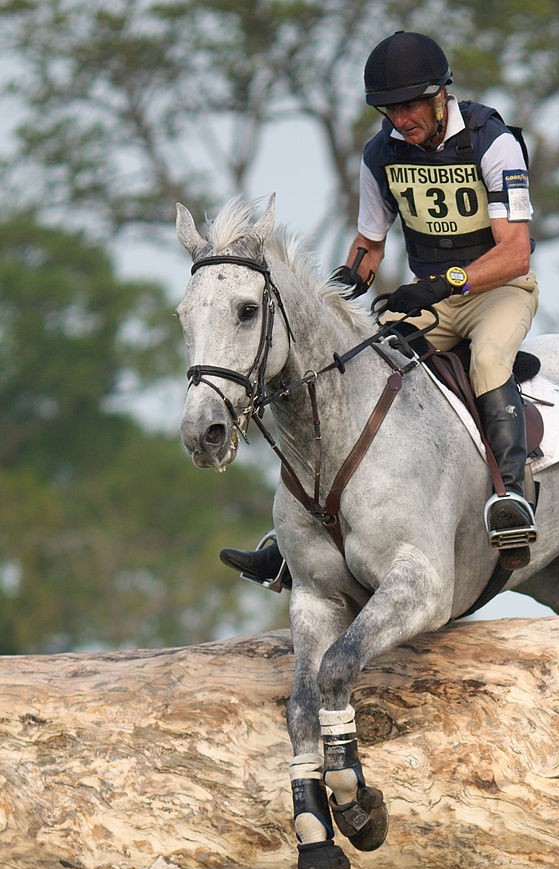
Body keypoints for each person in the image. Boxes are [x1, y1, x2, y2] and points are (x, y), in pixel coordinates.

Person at [221, 29, 539, 585]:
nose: (401, 118)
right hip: (434, 299)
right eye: (389, 109)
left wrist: (445, 282)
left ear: (443, 93)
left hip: (497, 293)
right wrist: (345, 286)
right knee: (357, 364)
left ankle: (512, 500)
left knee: (489, 360)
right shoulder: (381, 154)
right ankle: (300, 532)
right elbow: (370, 247)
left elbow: (514, 253)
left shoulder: (494, 143)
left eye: (411, 104)